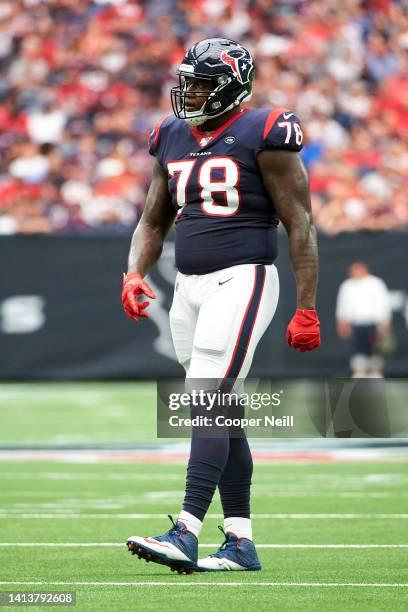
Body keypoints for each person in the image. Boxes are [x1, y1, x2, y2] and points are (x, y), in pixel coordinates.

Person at [122, 38, 320, 573]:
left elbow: (299, 221)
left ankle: (185, 530)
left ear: (234, 87)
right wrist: (134, 271)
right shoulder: (169, 134)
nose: (190, 92)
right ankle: (239, 540)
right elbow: (153, 217)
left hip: (244, 277)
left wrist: (307, 304)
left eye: (204, 83)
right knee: (221, 409)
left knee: (204, 397)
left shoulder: (266, 130)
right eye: (187, 81)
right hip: (188, 286)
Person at [336, 261, 392, 377]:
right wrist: (342, 323)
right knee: (358, 349)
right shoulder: (347, 285)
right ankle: (360, 373)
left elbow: (383, 304)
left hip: (374, 324)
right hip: (356, 324)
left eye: (357, 269)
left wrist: (385, 323)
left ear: (365, 270)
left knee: (375, 349)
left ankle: (375, 374)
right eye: (353, 270)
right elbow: (342, 305)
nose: (355, 272)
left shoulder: (376, 283)